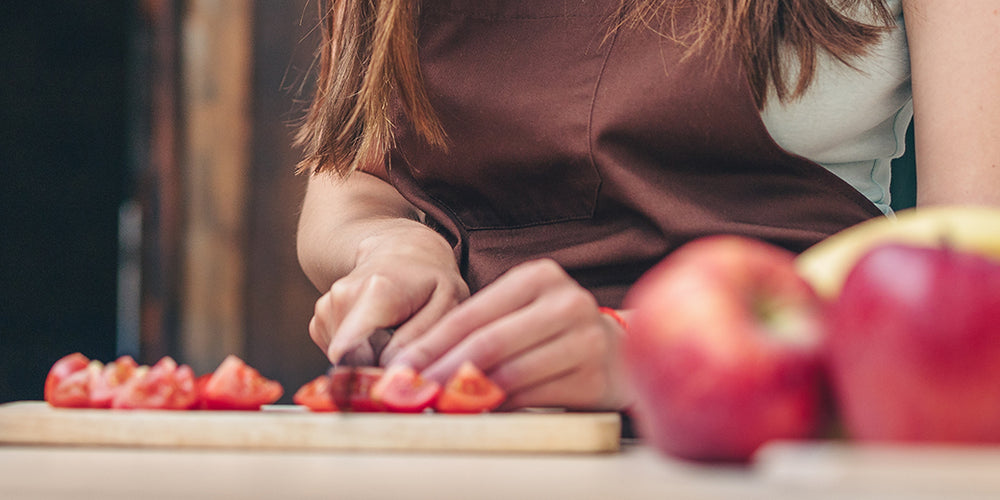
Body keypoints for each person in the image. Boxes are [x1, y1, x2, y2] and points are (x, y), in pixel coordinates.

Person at [294, 0, 1000, 411]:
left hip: (795, 435)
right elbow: (350, 180)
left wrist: (654, 354)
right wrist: (390, 247)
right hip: (478, 436)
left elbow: (975, 267)